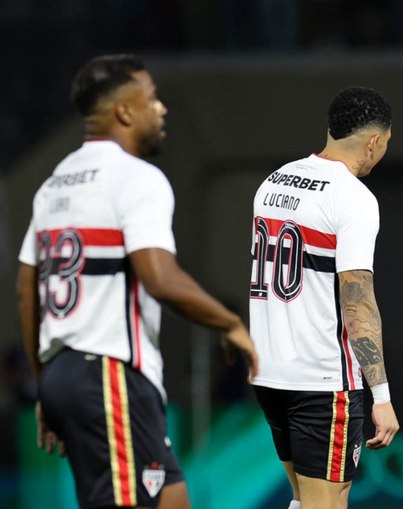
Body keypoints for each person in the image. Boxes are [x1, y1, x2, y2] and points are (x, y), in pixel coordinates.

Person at [16, 54, 258, 509]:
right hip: (108, 374)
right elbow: (159, 276)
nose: (161, 109)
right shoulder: (136, 178)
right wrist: (229, 323)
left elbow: (26, 291)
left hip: (69, 372)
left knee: (172, 499)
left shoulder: (54, 185)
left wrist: (47, 383)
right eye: (151, 99)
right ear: (125, 111)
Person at [249, 86, 400, 509]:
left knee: (307, 500)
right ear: (373, 142)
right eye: (385, 144)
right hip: (320, 380)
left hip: (271, 372)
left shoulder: (273, 181)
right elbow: (358, 300)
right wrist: (382, 397)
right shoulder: (352, 197)